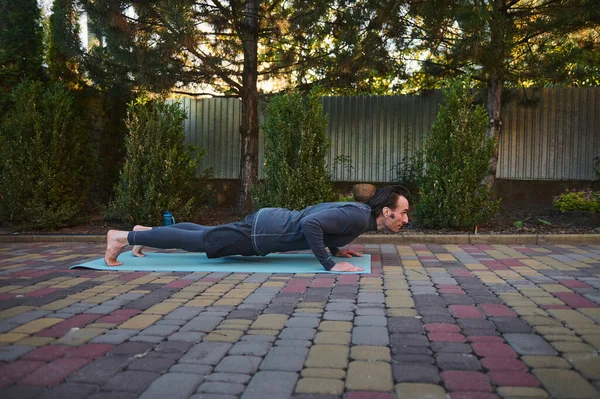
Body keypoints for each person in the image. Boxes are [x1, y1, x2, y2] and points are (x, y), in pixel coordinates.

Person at [104, 185, 410, 272]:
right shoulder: (358, 217)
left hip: (267, 224)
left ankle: (145, 232)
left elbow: (323, 222)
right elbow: (311, 222)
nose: (405, 219)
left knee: (203, 232)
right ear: (387, 211)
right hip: (263, 233)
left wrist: (336, 248)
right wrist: (330, 264)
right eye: (403, 213)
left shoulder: (360, 215)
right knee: (199, 242)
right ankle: (122, 237)